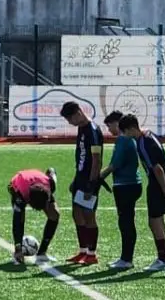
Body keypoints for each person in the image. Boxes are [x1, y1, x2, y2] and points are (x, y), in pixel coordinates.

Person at [124, 115, 165, 271]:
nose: (124, 135)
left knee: (154, 221)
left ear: (131, 129)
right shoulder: (148, 135)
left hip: (159, 182)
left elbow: (157, 168)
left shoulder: (143, 142)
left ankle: (162, 260)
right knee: (158, 220)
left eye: (125, 132)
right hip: (163, 180)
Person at [60, 101, 104, 265]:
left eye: (70, 119)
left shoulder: (93, 130)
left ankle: (92, 254)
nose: (70, 123)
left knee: (88, 214)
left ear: (78, 113)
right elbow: (82, 157)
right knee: (76, 213)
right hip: (80, 178)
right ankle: (83, 251)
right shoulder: (81, 128)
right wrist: (76, 179)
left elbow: (96, 160)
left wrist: (91, 185)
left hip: (89, 180)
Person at [99, 112, 142, 269]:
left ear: (117, 124)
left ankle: (126, 259)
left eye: (109, 125)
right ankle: (126, 257)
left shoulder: (123, 140)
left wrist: (98, 177)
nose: (109, 129)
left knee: (125, 223)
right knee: (127, 221)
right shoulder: (130, 140)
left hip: (125, 186)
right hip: (132, 184)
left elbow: (114, 164)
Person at [8, 168, 61, 265]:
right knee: (20, 218)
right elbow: (17, 221)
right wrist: (18, 248)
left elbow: (51, 171)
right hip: (18, 184)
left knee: (54, 214)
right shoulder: (20, 194)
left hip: (41, 182)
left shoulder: (50, 185)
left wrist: (50, 172)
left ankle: (42, 252)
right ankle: (18, 253)